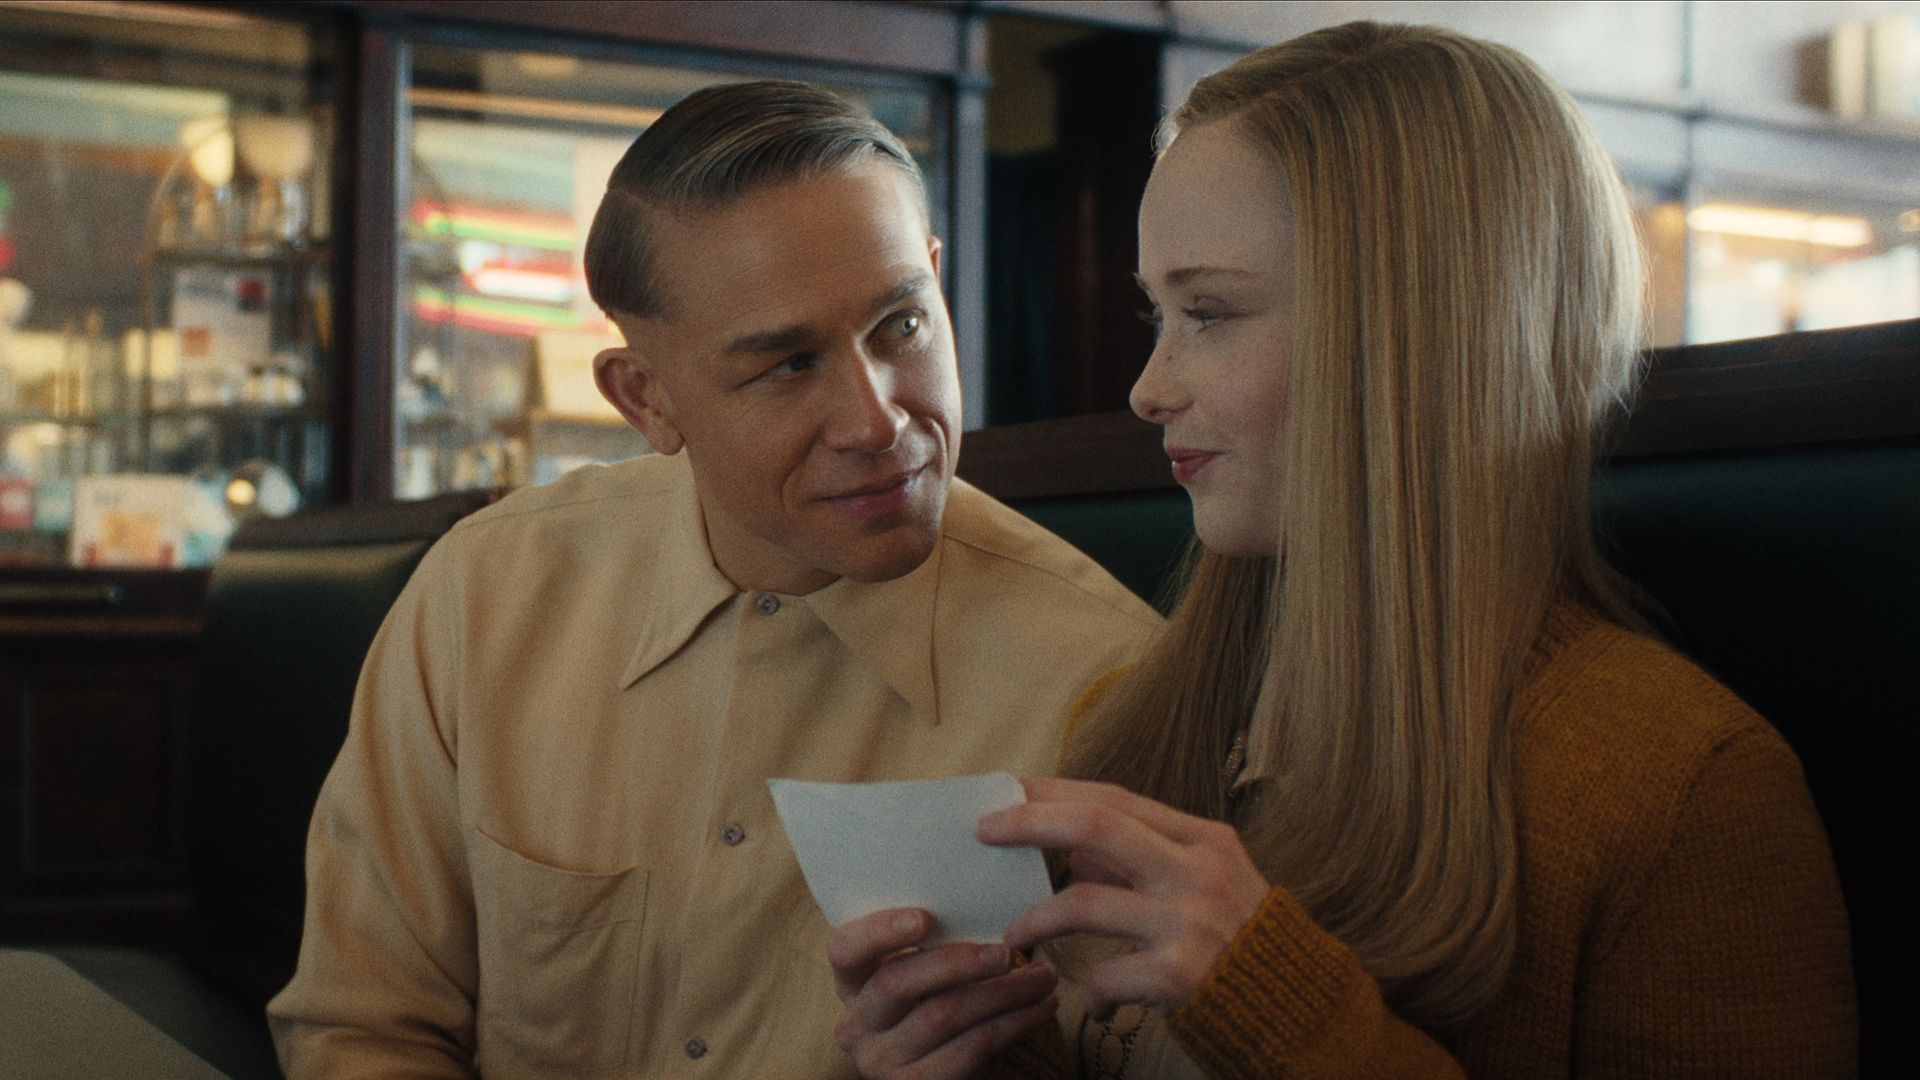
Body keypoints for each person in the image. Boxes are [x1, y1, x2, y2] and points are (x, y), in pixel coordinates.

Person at [829, 22, 1857, 1079]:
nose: (1148, 388)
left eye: (1211, 313)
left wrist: (1277, 1004)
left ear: (1408, 339)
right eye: (1158, 314)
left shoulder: (1680, 792)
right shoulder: (1131, 723)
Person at [266, 81, 1161, 1078]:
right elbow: (364, 1027)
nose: (878, 422)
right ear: (645, 399)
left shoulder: (1108, 679)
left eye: (902, 326)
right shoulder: (485, 598)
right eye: (786, 364)